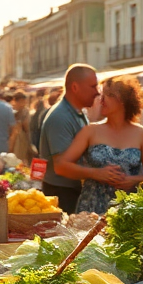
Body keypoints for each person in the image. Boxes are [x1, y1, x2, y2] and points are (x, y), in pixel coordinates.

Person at [54, 77, 143, 213]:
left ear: (123, 100)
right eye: (102, 95)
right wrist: (95, 173)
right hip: (91, 209)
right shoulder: (90, 131)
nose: (101, 100)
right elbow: (61, 166)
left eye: (108, 95)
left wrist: (134, 180)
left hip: (127, 209)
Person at [39, 64, 100, 214]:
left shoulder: (78, 113)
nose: (97, 92)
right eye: (93, 86)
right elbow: (61, 167)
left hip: (71, 190)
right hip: (62, 193)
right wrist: (98, 173)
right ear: (75, 87)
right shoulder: (60, 117)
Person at [9, 91, 34, 160]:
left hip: (11, 137)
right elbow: (26, 126)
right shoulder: (25, 111)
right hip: (20, 138)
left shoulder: (10, 109)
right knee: (20, 158)